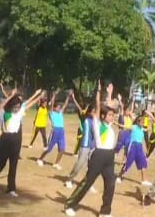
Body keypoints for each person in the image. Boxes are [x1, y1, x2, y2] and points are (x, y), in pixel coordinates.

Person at [64, 81, 117, 217]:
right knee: (87, 182)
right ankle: (69, 204)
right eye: (110, 115)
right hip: (98, 156)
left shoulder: (110, 126)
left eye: (113, 115)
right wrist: (99, 92)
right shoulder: (97, 123)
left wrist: (110, 94)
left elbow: (108, 107)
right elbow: (99, 107)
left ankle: (105, 211)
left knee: (110, 185)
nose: (113, 117)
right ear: (103, 116)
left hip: (110, 157)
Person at [0, 87, 43, 197]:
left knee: (13, 165)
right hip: (5, 139)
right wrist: (11, 95)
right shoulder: (4, 113)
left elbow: (27, 104)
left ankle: (11, 188)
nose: (17, 109)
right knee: (0, 165)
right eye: (15, 107)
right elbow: (0, 106)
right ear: (11, 106)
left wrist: (38, 96)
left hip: (16, 140)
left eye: (18, 107)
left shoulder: (20, 112)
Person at [65, 104, 96, 191]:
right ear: (89, 112)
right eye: (93, 112)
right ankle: (69, 179)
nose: (95, 113)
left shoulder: (95, 121)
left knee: (91, 166)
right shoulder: (85, 119)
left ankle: (88, 183)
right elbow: (80, 109)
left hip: (92, 146)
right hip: (85, 145)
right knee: (80, 164)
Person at [37, 90, 71, 170]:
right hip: (55, 131)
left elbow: (65, 104)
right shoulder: (51, 113)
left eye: (60, 107)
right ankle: (40, 159)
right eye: (58, 107)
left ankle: (56, 163)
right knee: (49, 148)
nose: (59, 108)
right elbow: (51, 105)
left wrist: (68, 96)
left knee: (62, 149)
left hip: (61, 132)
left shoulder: (60, 113)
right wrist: (54, 95)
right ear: (54, 108)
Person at [116, 111, 151, 186]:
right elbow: (124, 126)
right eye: (141, 122)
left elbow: (148, 129)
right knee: (128, 162)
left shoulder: (142, 129)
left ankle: (143, 180)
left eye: (143, 122)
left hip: (140, 147)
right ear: (138, 122)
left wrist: (151, 117)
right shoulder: (133, 127)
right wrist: (115, 123)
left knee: (143, 163)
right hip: (133, 147)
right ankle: (119, 176)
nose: (142, 124)